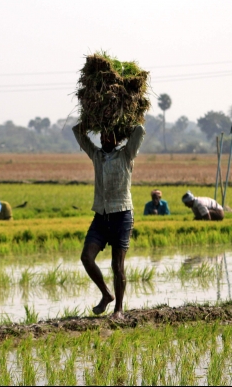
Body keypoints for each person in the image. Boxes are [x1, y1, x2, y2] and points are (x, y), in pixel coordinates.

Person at [73, 123, 146, 319]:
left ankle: (119, 310)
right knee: (86, 258)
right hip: (101, 215)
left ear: (118, 138)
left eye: (109, 136)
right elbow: (78, 132)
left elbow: (139, 131)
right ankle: (106, 294)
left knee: (117, 266)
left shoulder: (126, 154)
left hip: (122, 216)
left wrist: (123, 121)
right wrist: (94, 119)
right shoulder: (96, 155)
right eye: (102, 136)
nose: (104, 139)